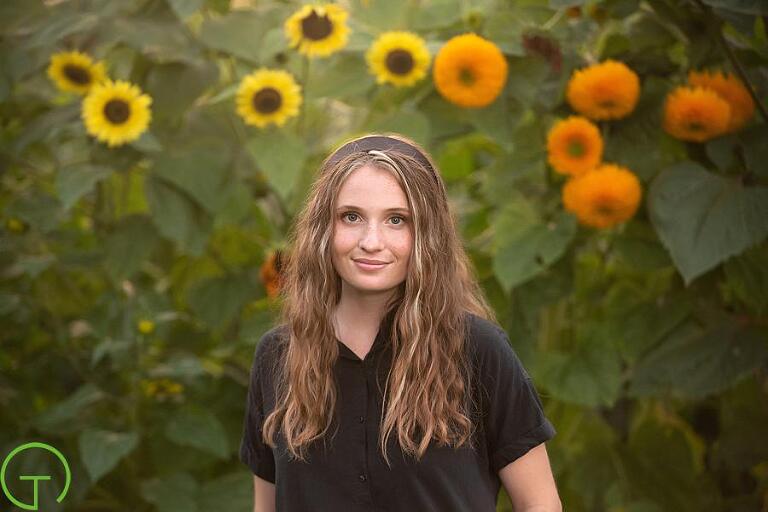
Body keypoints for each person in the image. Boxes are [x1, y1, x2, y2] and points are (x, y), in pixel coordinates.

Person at [239, 133, 561, 512]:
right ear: (323, 229)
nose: (371, 241)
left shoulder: (478, 350)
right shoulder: (278, 357)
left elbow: (540, 504)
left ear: (427, 233)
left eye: (397, 220)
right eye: (351, 217)